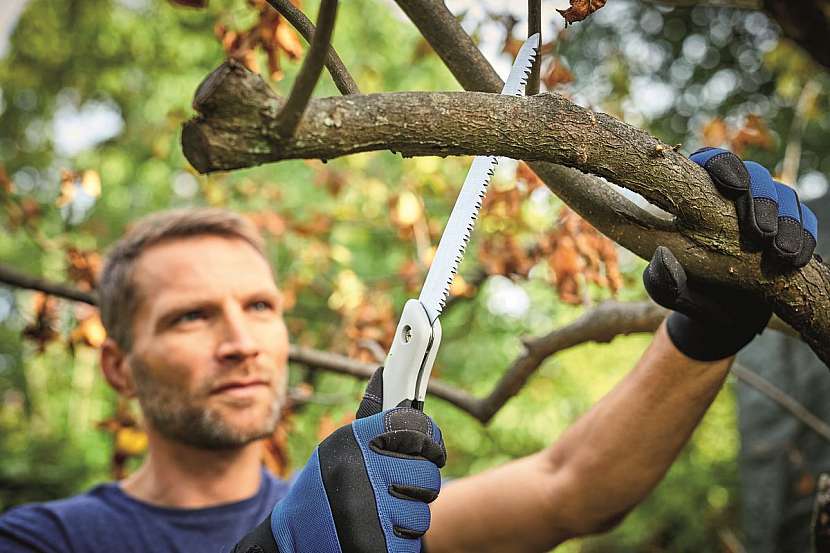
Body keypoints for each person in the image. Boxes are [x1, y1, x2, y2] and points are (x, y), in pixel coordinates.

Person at [0, 148, 820, 553]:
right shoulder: (47, 538)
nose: (241, 339)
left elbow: (572, 486)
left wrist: (708, 326)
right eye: (190, 317)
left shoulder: (355, 517)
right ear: (117, 363)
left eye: (258, 305)